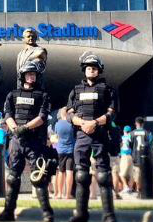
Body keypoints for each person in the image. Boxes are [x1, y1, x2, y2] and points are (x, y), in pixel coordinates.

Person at [0, 61, 55, 222]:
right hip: (16, 141)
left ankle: (47, 213)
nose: (31, 76)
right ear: (22, 76)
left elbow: (42, 117)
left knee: (39, 177)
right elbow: (7, 115)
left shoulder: (43, 95)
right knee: (13, 178)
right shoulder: (12, 95)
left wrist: (25, 127)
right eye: (28, 74)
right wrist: (15, 129)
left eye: (33, 74)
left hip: (34, 141)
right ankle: (8, 213)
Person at [65, 52, 118, 222]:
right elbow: (69, 113)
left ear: (99, 71)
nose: (91, 71)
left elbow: (111, 113)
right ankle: (81, 214)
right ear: (84, 70)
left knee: (103, 175)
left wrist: (94, 123)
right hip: (81, 135)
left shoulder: (108, 90)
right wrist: (82, 123)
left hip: (100, 134)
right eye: (89, 68)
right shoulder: (75, 90)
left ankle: (109, 215)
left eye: (94, 68)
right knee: (81, 175)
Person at [55, 108, 75, 199]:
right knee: (69, 171)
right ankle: (68, 194)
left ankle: (59, 193)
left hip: (60, 150)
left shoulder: (57, 124)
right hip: (71, 150)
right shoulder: (72, 124)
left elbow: (56, 137)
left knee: (61, 172)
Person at [118, 126, 134, 193]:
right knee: (131, 174)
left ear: (124, 131)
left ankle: (126, 186)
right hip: (131, 156)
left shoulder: (122, 138)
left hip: (124, 156)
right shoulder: (131, 138)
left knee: (121, 174)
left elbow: (120, 146)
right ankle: (130, 188)